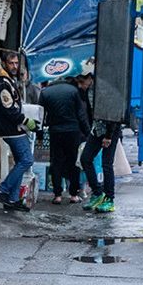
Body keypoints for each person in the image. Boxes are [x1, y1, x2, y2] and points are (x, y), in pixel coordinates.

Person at [0, 52, 39, 212]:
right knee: (27, 160)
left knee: (21, 160)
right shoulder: (2, 84)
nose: (14, 66)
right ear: (4, 63)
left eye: (16, 63)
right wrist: (26, 121)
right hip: (12, 129)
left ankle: (12, 199)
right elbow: (9, 110)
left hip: (14, 128)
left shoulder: (8, 81)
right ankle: (2, 190)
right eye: (11, 63)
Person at [38, 76, 91, 204]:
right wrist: (88, 133)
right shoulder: (73, 91)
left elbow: (40, 114)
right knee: (73, 162)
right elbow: (81, 114)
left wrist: (39, 134)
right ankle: (73, 194)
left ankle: (57, 195)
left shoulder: (45, 92)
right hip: (73, 131)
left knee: (56, 162)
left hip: (55, 131)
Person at [81, 119, 121, 212]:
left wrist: (108, 136)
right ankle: (97, 193)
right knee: (85, 159)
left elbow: (114, 113)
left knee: (107, 164)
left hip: (111, 129)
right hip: (97, 128)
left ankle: (109, 199)